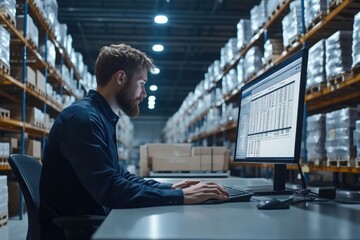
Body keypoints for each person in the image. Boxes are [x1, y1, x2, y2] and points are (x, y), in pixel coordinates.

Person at [39, 43, 228, 239]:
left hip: (94, 223)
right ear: (121, 78)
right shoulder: (82, 119)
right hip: (76, 232)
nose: (144, 93)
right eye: (141, 83)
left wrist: (171, 188)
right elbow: (110, 189)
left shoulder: (100, 118)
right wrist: (180, 197)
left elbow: (120, 176)